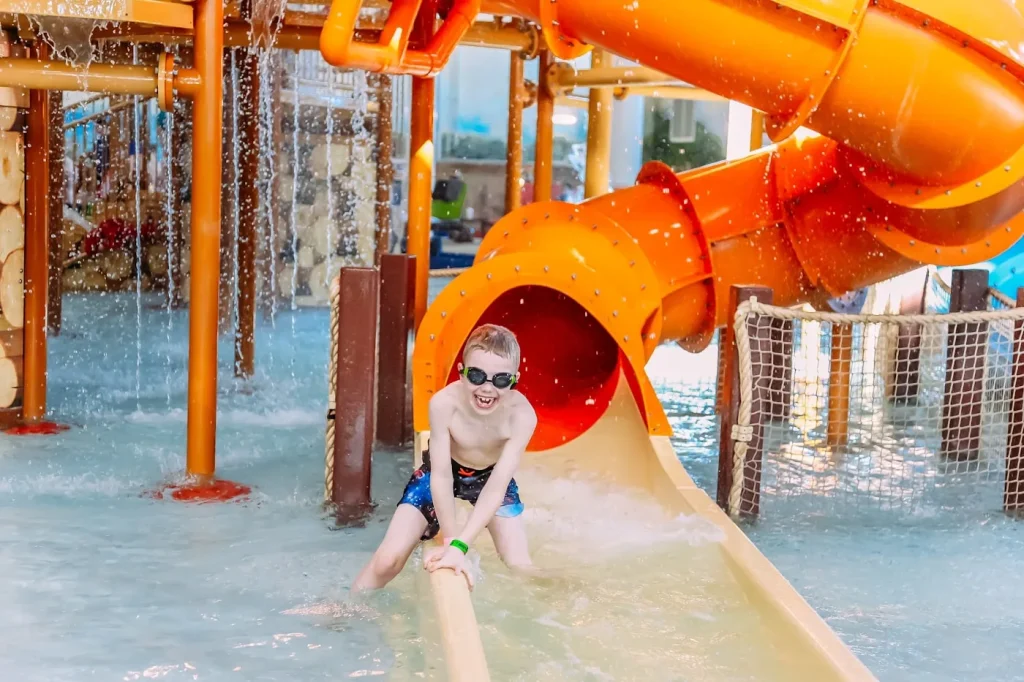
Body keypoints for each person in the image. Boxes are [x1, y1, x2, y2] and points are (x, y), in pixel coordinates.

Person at [351, 324, 537, 593]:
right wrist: (451, 539)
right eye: (476, 375)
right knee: (386, 562)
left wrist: (463, 545)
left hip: (489, 478)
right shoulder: (444, 404)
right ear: (461, 373)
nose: (487, 389)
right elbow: (440, 476)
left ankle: (568, 591)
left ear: (514, 380)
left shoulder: (522, 417)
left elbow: (496, 487)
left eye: (500, 380)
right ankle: (346, 609)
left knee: (521, 566)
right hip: (440, 472)